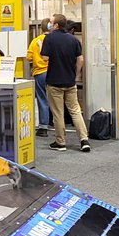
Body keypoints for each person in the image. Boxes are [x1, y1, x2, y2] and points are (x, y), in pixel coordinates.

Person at [41, 13, 90, 152]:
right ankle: (84, 139)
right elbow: (80, 59)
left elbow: (44, 58)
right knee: (75, 110)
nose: (49, 24)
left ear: (56, 25)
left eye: (51, 22)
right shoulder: (73, 40)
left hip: (54, 81)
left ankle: (60, 142)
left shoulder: (49, 38)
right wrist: (76, 73)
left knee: (58, 113)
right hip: (70, 81)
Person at [27, 19, 51, 136]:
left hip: (40, 73)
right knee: (57, 100)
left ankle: (43, 126)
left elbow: (29, 57)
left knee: (42, 99)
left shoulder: (35, 41)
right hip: (54, 72)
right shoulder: (53, 40)